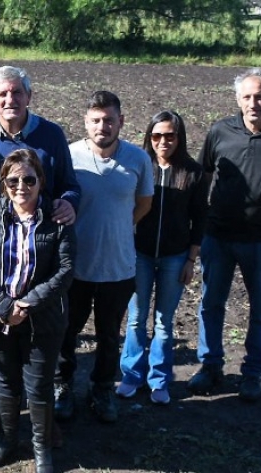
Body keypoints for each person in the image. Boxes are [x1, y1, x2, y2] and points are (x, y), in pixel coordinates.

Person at [0, 65, 80, 441]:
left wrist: (71, 203)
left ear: (29, 95)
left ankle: (44, 417)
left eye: (17, 93)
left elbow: (70, 186)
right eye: (2, 94)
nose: (10, 100)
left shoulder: (51, 135)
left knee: (43, 338)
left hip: (40, 252)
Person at [0, 148, 75, 473]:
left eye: (29, 179)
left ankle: (41, 450)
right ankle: (9, 441)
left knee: (39, 386)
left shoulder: (57, 222)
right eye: (13, 180)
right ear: (3, 184)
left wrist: (28, 304)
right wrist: (3, 306)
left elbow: (66, 269)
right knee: (6, 384)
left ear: (41, 181)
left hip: (43, 319)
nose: (21, 186)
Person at [59, 91, 153, 423]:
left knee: (109, 335)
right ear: (86, 122)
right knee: (67, 331)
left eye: (109, 119)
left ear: (120, 122)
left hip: (118, 267)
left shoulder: (138, 159)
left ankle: (101, 390)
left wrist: (119, 226)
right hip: (76, 266)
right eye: (96, 120)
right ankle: (63, 386)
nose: (103, 126)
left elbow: (143, 204)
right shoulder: (70, 156)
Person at [118, 111, 207, 405]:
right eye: (156, 136)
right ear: (149, 137)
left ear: (178, 137)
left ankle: (159, 380)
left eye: (169, 135)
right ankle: (131, 376)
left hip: (175, 257)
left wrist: (191, 260)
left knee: (164, 323)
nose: (163, 142)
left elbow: (200, 219)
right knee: (135, 319)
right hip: (139, 255)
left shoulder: (192, 172)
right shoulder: (140, 165)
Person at [188, 68, 261, 402]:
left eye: (259, 96)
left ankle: (253, 373)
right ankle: (210, 366)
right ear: (237, 99)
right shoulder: (220, 131)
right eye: (247, 97)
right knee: (211, 303)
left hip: (258, 241)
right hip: (217, 236)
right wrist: (199, 224)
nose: (253, 103)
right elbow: (203, 176)